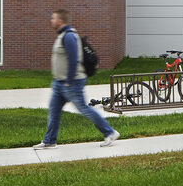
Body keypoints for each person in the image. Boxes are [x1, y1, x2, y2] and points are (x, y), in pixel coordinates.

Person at [33, 9, 119, 149]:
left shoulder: (69, 36)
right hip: (59, 83)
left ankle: (110, 132)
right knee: (53, 111)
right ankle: (49, 141)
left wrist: (69, 80)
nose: (51, 20)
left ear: (60, 20)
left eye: (53, 18)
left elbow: (74, 60)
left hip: (71, 82)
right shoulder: (62, 36)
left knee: (84, 109)